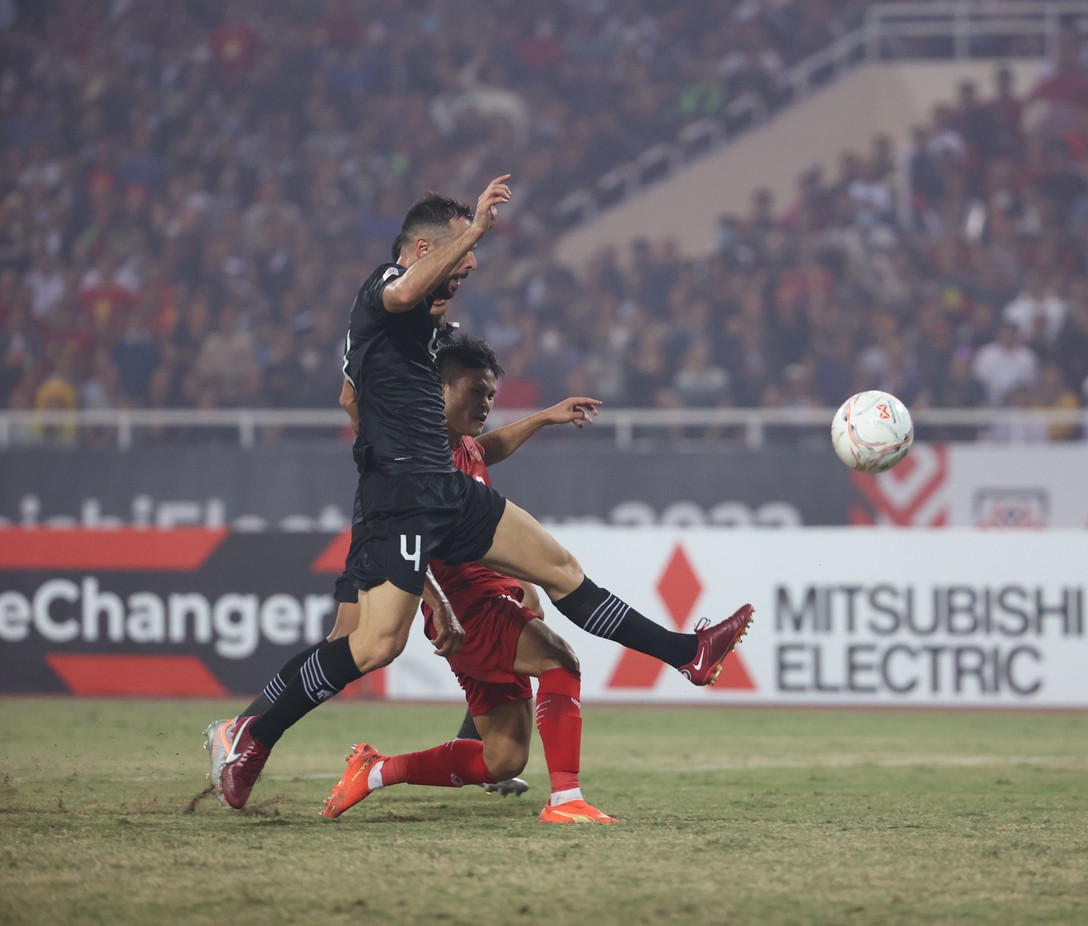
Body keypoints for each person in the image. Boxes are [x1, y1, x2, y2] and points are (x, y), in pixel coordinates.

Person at [212, 180, 753, 811]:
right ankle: (252, 729)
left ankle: (689, 652)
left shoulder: (418, 329)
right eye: (459, 258)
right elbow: (396, 311)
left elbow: (351, 397)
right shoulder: (384, 286)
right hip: (405, 496)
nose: (466, 270)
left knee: (560, 571)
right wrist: (475, 230)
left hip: (439, 490)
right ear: (422, 247)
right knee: (373, 645)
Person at [321, 335, 616, 823]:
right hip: (470, 606)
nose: (485, 404)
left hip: (480, 603)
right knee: (561, 660)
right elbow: (407, 547)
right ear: (438, 391)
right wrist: (438, 605)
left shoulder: (464, 449)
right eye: (475, 392)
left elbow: (488, 448)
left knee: (502, 759)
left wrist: (544, 417)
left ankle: (374, 771)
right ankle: (567, 801)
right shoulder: (423, 456)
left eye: (491, 396)